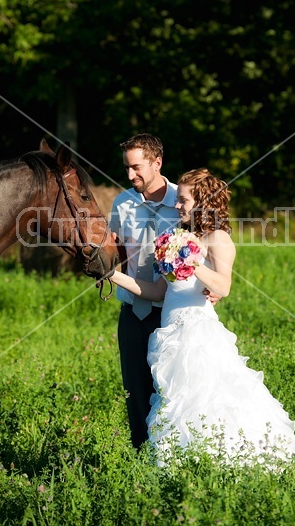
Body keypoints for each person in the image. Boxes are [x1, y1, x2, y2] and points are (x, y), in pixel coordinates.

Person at [110, 167, 295, 467]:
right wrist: (111, 275)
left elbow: (223, 286)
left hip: (199, 333)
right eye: (178, 200)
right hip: (170, 335)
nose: (177, 205)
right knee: (175, 403)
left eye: (184, 201)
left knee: (207, 399)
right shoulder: (178, 238)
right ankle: (185, 462)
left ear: (202, 203)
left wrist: (191, 261)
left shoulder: (218, 238)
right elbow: (156, 292)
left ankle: (226, 460)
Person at [109, 134, 219, 449]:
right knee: (135, 391)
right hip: (132, 310)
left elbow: (210, 246)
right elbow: (115, 250)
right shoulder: (121, 203)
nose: (131, 176)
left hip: (170, 314)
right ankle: (141, 460)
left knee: (171, 392)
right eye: (127, 169)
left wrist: (217, 286)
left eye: (137, 167)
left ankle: (174, 455)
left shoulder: (185, 200)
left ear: (157, 163)